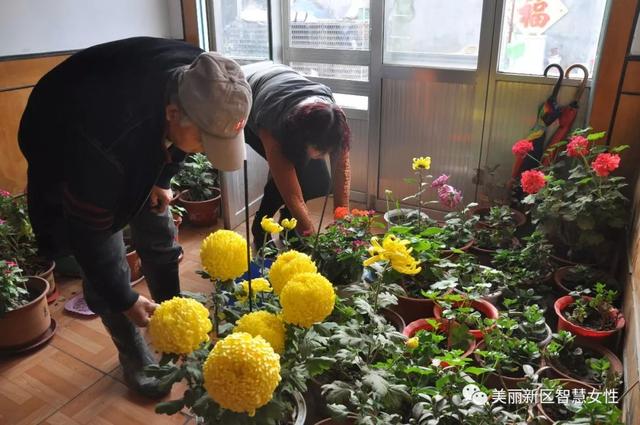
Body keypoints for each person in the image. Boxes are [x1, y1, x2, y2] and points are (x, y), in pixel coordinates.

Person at [18, 37, 251, 397]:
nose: (205, 151)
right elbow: (89, 238)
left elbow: (180, 145)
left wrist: (159, 180)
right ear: (173, 114)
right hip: (60, 132)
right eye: (204, 141)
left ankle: (168, 308)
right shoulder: (106, 152)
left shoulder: (204, 76)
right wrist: (125, 299)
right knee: (106, 256)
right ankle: (132, 351)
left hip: (123, 115)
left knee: (157, 221)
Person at [244, 64, 351, 244]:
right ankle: (261, 227)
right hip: (251, 100)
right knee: (287, 179)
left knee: (319, 181)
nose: (323, 157)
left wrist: (342, 220)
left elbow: (342, 170)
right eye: (319, 152)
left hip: (281, 83)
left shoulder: (334, 120)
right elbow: (289, 187)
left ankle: (289, 226)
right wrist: (308, 229)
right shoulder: (274, 123)